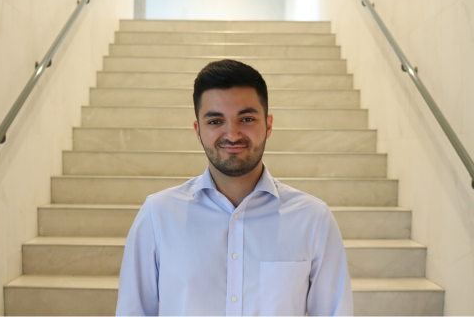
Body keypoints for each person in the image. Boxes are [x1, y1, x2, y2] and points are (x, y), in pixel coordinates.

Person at [116, 59, 353, 316]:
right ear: (198, 130)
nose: (232, 134)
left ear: (269, 125)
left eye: (247, 118)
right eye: (215, 121)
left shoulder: (312, 218)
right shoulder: (158, 214)